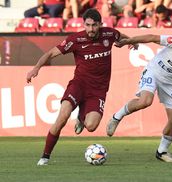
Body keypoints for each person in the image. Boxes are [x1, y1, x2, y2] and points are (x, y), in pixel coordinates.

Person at [26, 8, 137, 165]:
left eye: (94, 25)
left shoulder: (109, 34)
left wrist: (132, 43)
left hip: (98, 90)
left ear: (100, 24)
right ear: (84, 24)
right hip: (78, 85)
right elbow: (51, 53)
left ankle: (80, 116)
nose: (91, 29)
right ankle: (45, 156)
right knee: (62, 117)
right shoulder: (76, 39)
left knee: (91, 126)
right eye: (88, 25)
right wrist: (36, 68)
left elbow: (121, 37)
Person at [107, 34, 172, 162]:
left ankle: (162, 152)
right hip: (154, 71)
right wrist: (129, 41)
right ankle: (116, 117)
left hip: (171, 82)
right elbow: (152, 37)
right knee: (145, 101)